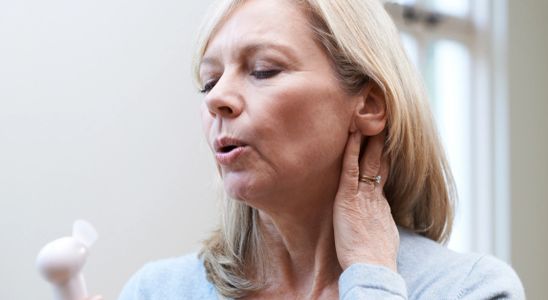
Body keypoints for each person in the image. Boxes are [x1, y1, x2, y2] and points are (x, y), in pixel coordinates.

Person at [118, 0, 525, 299]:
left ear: (368, 104)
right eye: (209, 81)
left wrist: (371, 278)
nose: (216, 99)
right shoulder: (156, 290)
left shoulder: (470, 289)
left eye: (263, 70)